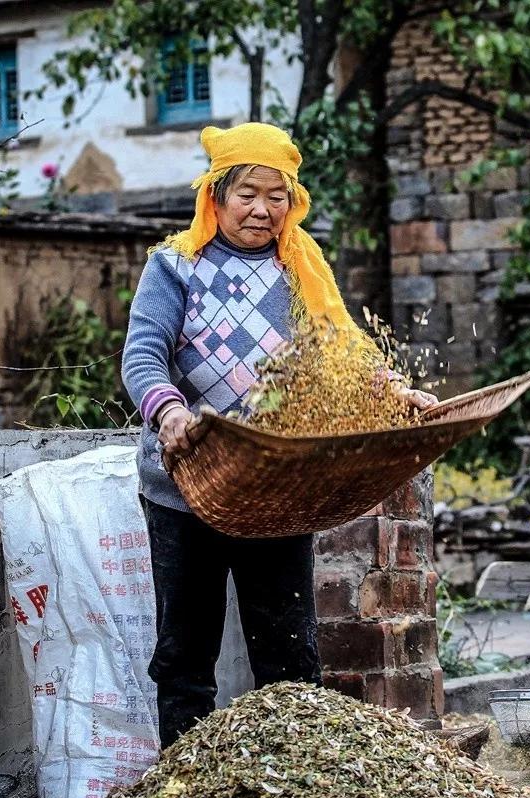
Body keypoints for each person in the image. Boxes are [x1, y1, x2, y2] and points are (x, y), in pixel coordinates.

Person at [122, 122, 436, 747]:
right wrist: (171, 413)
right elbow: (142, 357)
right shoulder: (175, 265)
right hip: (186, 486)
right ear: (215, 195)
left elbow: (340, 356)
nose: (263, 209)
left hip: (277, 487)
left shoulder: (301, 270)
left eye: (277, 194)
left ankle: (296, 778)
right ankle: (186, 788)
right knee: (185, 654)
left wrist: (391, 393)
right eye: (247, 193)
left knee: (290, 654)